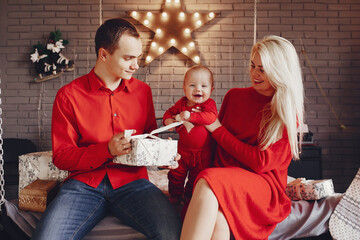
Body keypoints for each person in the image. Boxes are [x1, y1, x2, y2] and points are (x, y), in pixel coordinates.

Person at [32, 18, 182, 240]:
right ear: (104, 55)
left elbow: (148, 138)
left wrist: (162, 155)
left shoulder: (143, 92)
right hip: (83, 186)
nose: (136, 66)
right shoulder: (68, 95)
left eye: (137, 58)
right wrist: (107, 150)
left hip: (133, 183)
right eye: (128, 58)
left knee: (173, 233)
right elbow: (62, 157)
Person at [180, 35, 305, 240]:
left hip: (263, 185)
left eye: (262, 69)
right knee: (219, 218)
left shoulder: (286, 111)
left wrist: (217, 129)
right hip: (226, 175)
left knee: (209, 180)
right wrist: (182, 154)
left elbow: (260, 163)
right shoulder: (234, 96)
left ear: (279, 71)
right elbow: (215, 144)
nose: (254, 73)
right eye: (253, 65)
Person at [163, 65, 217, 208]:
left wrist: (191, 116)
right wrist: (170, 121)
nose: (198, 89)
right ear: (184, 88)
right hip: (183, 152)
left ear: (211, 90)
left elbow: (211, 117)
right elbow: (168, 113)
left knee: (196, 178)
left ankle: (188, 198)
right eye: (192, 85)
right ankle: (175, 196)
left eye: (204, 86)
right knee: (176, 174)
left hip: (203, 153)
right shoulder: (181, 104)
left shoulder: (208, 104)